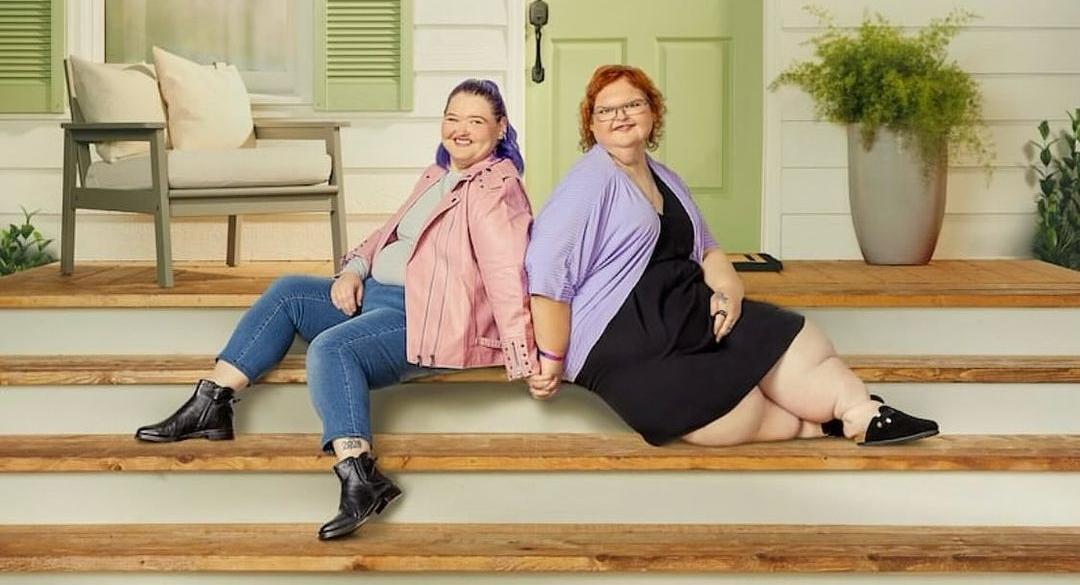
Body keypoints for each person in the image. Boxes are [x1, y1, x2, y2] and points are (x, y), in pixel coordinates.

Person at [135, 79, 537, 540]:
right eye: (452, 117)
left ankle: (358, 477)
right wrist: (353, 270)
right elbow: (387, 234)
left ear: (500, 128)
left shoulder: (495, 190)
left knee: (331, 348)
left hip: (422, 317)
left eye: (475, 121)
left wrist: (523, 355)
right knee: (288, 292)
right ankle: (213, 404)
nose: (460, 130)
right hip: (373, 294)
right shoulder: (436, 174)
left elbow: (508, 275)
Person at [524, 65, 938, 449]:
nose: (620, 116)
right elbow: (546, 270)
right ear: (591, 125)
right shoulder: (589, 183)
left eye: (632, 104)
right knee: (736, 414)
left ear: (652, 112)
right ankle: (820, 425)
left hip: (687, 310)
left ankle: (864, 414)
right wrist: (552, 358)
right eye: (605, 110)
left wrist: (728, 289)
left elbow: (707, 248)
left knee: (790, 336)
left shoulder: (664, 176)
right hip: (621, 339)